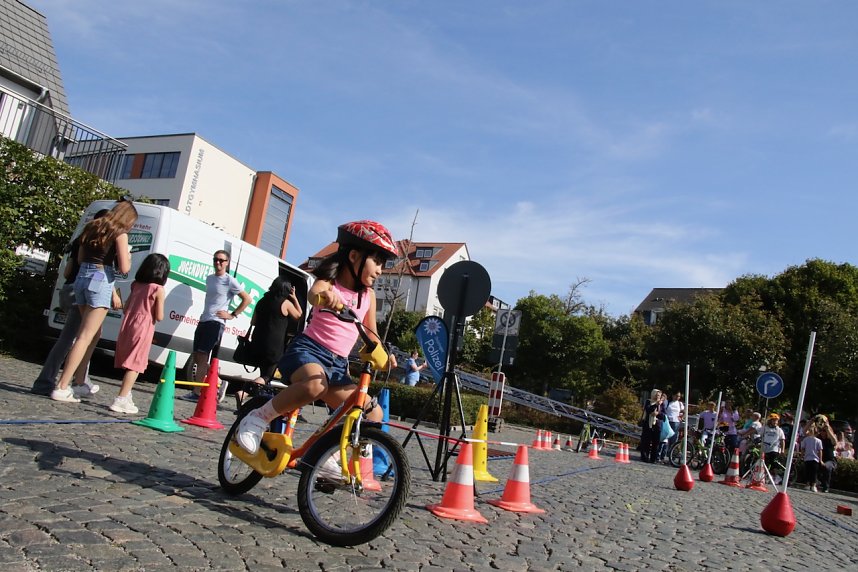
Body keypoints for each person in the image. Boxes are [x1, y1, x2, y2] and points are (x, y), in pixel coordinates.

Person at [235, 220, 398, 456]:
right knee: (314, 386)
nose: (381, 270)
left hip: (338, 366)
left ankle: (324, 457)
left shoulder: (369, 296)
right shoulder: (329, 283)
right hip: (308, 352)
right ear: (354, 256)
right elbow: (314, 293)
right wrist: (327, 297)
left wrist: (385, 354)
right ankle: (258, 418)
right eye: (377, 262)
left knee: (373, 412)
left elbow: (371, 333)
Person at [51, 200, 138, 403]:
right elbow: (124, 268)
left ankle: (80, 382)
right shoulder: (120, 234)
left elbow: (80, 259)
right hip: (101, 278)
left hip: (82, 277)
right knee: (84, 336)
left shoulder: (91, 226)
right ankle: (62, 385)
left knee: (94, 333)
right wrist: (128, 257)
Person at [32, 208, 118, 396]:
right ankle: (51, 382)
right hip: (87, 290)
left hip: (74, 287)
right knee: (77, 338)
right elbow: (102, 270)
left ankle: (79, 380)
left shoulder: (83, 238)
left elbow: (67, 271)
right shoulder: (103, 240)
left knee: (86, 336)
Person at [180, 249, 252, 400]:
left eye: (221, 260)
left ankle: (197, 393)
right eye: (215, 260)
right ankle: (218, 382)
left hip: (215, 322)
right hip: (204, 320)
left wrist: (232, 314)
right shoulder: (210, 278)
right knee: (198, 357)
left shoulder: (229, 280)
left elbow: (247, 299)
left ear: (227, 263)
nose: (218, 263)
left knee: (203, 356)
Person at [109, 253, 169, 414]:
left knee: (128, 358)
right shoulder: (158, 289)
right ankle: (121, 398)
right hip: (143, 326)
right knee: (135, 364)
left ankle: (127, 395)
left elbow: (127, 306)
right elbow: (160, 316)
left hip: (128, 324)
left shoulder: (136, 284)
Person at [234, 277, 303, 403]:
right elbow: (298, 315)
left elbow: (253, 322)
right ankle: (244, 393)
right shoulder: (285, 303)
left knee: (263, 371)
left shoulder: (262, 301)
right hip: (274, 345)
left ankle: (258, 401)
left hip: (257, 341)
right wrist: (294, 299)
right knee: (267, 376)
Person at [811, 415, 837, 493]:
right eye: (822, 431)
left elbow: (835, 441)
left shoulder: (830, 439)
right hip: (820, 459)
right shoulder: (818, 438)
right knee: (812, 465)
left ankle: (826, 487)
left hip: (830, 461)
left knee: (827, 467)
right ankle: (813, 483)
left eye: (824, 431)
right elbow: (807, 433)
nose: (823, 433)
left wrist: (827, 428)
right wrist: (811, 422)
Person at [639, 389, 663, 463]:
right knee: (646, 441)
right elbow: (648, 409)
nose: (657, 396)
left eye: (659, 395)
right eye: (656, 395)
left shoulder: (662, 403)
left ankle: (653, 458)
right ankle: (645, 457)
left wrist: (657, 414)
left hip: (657, 424)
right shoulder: (648, 401)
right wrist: (656, 405)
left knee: (656, 442)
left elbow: (663, 414)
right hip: (648, 424)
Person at [761, 413, 786, 478]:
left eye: (776, 420)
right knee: (764, 462)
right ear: (770, 421)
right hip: (765, 448)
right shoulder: (765, 428)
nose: (775, 422)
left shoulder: (779, 430)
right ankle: (765, 476)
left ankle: (777, 477)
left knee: (773, 462)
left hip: (774, 448)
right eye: (773, 420)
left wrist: (782, 450)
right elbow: (759, 434)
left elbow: (782, 440)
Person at [801, 426, 823, 493]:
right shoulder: (805, 439)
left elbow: (820, 450)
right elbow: (803, 449)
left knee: (814, 473)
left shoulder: (818, 441)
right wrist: (802, 456)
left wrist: (820, 459)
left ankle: (813, 485)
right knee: (807, 472)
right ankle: (807, 484)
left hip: (814, 458)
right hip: (807, 458)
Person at [663, 391, 684, 459]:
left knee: (674, 439)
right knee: (665, 438)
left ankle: (671, 455)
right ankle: (662, 454)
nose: (677, 397)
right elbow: (663, 409)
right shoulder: (667, 402)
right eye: (676, 396)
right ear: (673, 395)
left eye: (679, 396)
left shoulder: (680, 404)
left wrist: (681, 417)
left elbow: (684, 411)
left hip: (676, 422)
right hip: (667, 421)